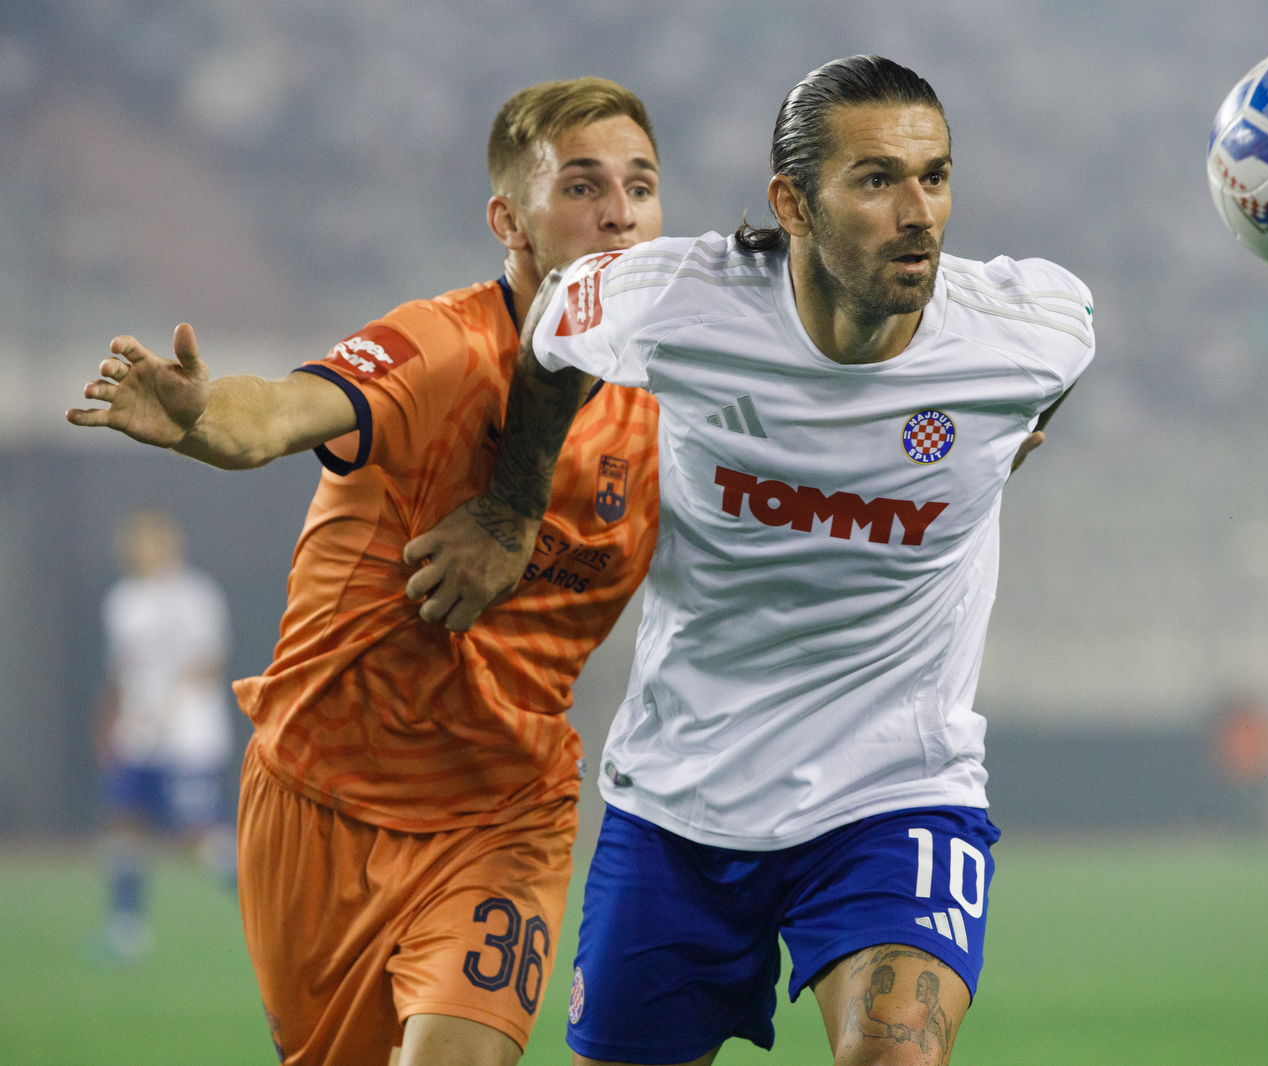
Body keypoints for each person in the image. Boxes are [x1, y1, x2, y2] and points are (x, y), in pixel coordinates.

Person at [414, 54, 1095, 1066]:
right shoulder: (675, 300)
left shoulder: (1028, 331)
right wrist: (513, 507)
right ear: (793, 204)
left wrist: (995, 455)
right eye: (875, 181)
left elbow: (1041, 387)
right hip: (681, 800)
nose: (919, 212)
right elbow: (551, 335)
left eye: (935, 176)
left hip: (895, 789)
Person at [67, 78, 664, 1066]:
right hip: (318, 797)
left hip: (502, 810)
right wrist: (202, 419)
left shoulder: (678, 396)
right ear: (506, 221)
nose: (618, 212)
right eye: (584, 186)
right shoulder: (442, 346)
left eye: (641, 187)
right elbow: (279, 412)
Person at [97, 508, 235, 960]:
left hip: (187, 736)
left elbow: (210, 660)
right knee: (124, 822)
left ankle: (265, 903)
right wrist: (113, 723)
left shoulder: (195, 595)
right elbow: (120, 672)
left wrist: (170, 704)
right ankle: (126, 930)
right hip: (139, 735)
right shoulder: (121, 601)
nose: (145, 549)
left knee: (196, 836)